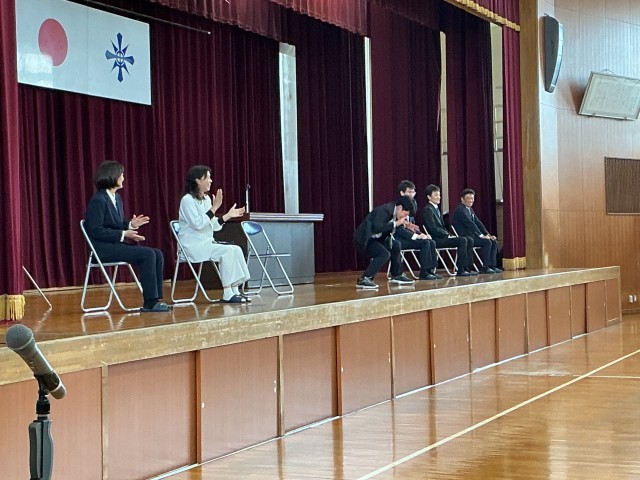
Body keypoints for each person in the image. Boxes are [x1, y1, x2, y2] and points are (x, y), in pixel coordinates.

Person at [84, 160, 171, 312]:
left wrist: (130, 224)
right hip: (102, 249)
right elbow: (95, 230)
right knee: (148, 254)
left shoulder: (116, 198)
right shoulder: (98, 200)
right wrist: (123, 234)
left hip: (116, 245)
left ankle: (156, 299)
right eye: (121, 174)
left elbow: (116, 224)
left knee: (157, 253)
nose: (123, 178)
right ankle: (150, 302)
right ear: (112, 176)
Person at [178, 165, 251, 303]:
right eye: (207, 177)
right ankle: (227, 293)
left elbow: (213, 226)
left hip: (206, 243)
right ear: (198, 180)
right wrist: (215, 207)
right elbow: (198, 224)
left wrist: (228, 216)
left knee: (236, 249)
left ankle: (235, 290)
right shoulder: (187, 200)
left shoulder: (206, 199)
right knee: (228, 251)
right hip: (192, 246)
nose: (210, 181)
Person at [353, 196, 416, 289]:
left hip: (377, 239)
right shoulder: (384, 210)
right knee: (384, 254)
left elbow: (392, 227)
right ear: (400, 207)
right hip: (364, 240)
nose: (405, 217)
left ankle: (397, 275)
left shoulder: (395, 213)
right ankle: (365, 278)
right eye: (405, 214)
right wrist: (396, 224)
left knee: (395, 245)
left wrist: (408, 227)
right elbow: (376, 228)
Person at [421, 184, 476, 277]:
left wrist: (448, 234)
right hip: (436, 239)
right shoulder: (428, 209)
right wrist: (447, 235)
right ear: (429, 197)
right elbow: (433, 228)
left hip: (442, 236)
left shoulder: (435, 208)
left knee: (469, 239)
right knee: (462, 240)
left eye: (439, 195)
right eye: (436, 195)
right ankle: (460, 269)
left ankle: (467, 267)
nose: (439, 197)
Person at [395, 180, 441, 280]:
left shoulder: (412, 206)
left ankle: (431, 270)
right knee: (425, 243)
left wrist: (422, 234)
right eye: (409, 192)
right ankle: (424, 273)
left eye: (413, 192)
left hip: (410, 237)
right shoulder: (397, 207)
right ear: (402, 193)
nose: (412, 194)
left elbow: (413, 227)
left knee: (430, 241)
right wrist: (417, 236)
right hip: (399, 240)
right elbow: (399, 230)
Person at [451, 188, 503, 274]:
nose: (471, 200)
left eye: (472, 198)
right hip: (466, 237)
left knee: (493, 241)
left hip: (473, 236)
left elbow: (478, 223)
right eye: (468, 198)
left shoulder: (470, 209)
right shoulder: (460, 210)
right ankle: (485, 267)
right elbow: (471, 224)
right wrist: (481, 236)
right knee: (487, 242)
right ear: (462, 199)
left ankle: (492, 266)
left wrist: (488, 234)